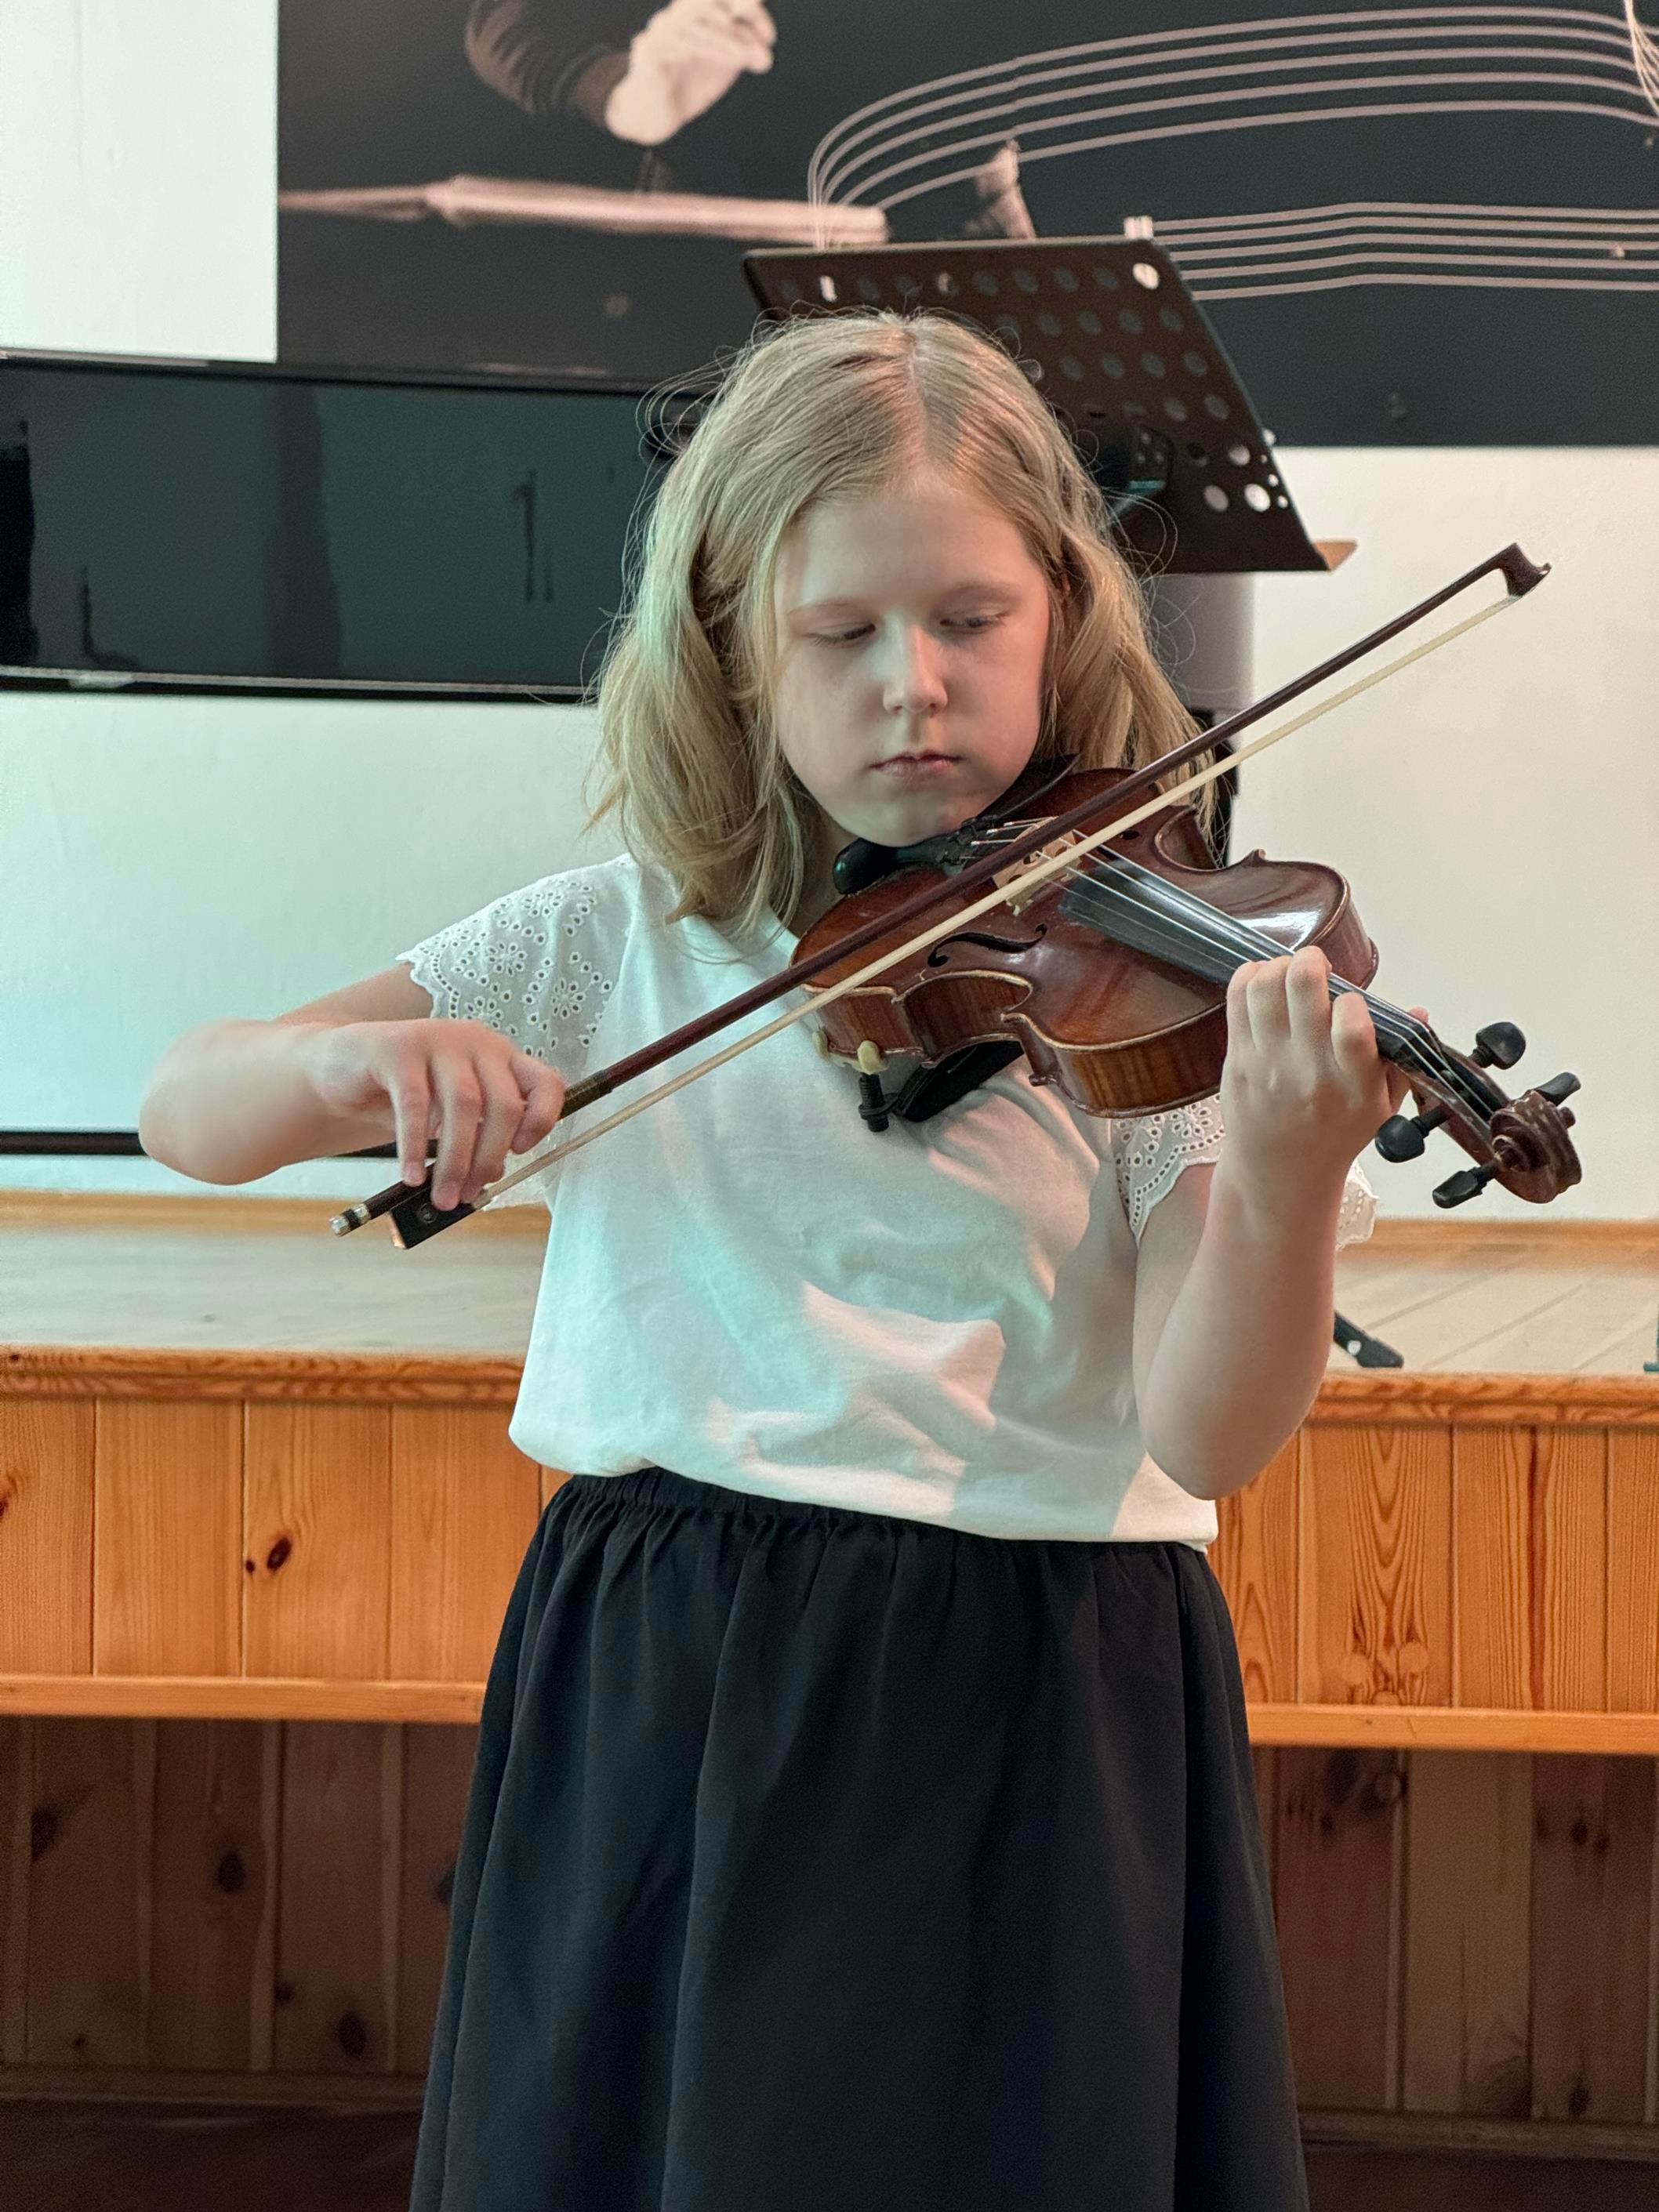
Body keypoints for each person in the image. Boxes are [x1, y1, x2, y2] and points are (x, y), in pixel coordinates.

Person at [139, 307, 1393, 2210]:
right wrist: (343, 1068)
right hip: (674, 1667)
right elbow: (191, 1106)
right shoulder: (621, 938)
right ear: (735, 645)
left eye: (969, 618)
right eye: (840, 633)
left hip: (1037, 1685)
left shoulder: (1146, 984)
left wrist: (1286, 1181)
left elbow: (1206, 1434)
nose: (913, 685)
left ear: (1060, 613)